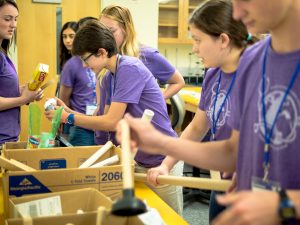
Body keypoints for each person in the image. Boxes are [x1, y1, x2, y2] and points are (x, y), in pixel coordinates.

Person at [116, 0, 300, 224]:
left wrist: (283, 205)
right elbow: (232, 153)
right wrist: (160, 143)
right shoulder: (253, 60)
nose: (238, 12)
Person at [45, 21, 183, 215]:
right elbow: (102, 120)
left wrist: (68, 119)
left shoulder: (130, 68)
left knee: (169, 218)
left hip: (161, 159)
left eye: (86, 59)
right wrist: (67, 111)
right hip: (139, 159)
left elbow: (111, 122)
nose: (84, 65)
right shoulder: (109, 76)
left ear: (101, 52)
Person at [146, 0, 256, 222]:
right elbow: (197, 127)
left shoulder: (256, 73)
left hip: (256, 187)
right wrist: (166, 164)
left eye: (198, 40)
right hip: (225, 181)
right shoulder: (213, 74)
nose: (194, 48)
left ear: (223, 40)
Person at [94, 4, 185, 145]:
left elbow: (178, 81)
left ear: (126, 29)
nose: (105, 38)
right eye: (101, 32)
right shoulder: (105, 60)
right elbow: (104, 105)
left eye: (111, 31)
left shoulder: (146, 55)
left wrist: (156, 100)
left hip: (146, 143)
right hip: (120, 141)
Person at [0, 0, 43, 146]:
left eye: (16, 19)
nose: (13, 25)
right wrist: (23, 99)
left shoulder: (3, 54)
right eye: (7, 19)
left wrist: (24, 91)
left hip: (8, 138)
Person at [58, 17, 97, 146]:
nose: (68, 40)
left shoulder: (101, 61)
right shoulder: (72, 64)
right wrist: (63, 121)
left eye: (71, 36)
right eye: (65, 37)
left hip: (98, 123)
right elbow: (63, 100)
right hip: (81, 126)